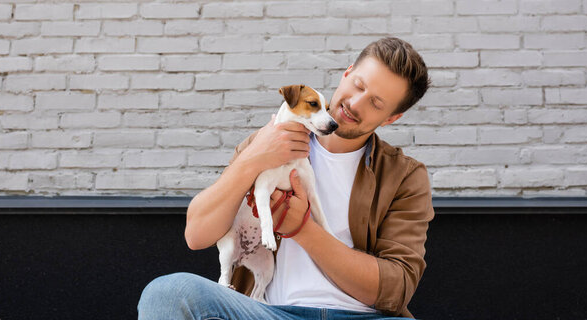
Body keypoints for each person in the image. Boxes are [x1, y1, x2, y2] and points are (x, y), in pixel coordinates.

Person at [138, 37, 435, 320]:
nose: (355, 104)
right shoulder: (267, 142)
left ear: (391, 118)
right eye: (357, 85)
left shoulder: (404, 176)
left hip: (363, 315)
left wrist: (302, 228)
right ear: (347, 73)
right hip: (267, 311)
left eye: (376, 103)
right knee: (166, 293)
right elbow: (197, 234)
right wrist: (253, 158)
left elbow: (395, 290)